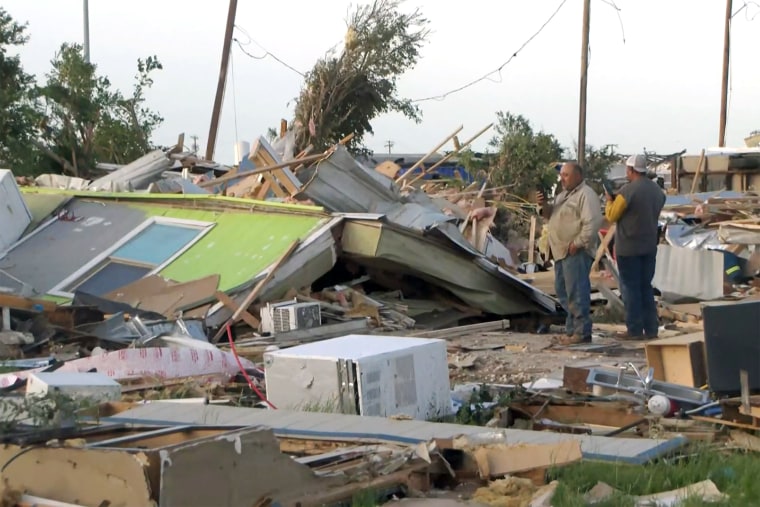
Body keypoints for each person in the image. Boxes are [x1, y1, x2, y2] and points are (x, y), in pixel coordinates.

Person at [537, 162, 602, 344]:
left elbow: (592, 223)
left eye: (566, 175)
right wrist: (543, 204)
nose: (562, 179)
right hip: (560, 251)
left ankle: (581, 332)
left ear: (578, 176)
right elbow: (551, 214)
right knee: (563, 291)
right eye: (562, 175)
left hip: (576, 251)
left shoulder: (586, 195)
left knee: (577, 292)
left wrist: (579, 243)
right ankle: (571, 329)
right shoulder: (563, 195)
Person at [604, 154, 666, 339]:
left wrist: (609, 200)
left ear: (631, 170)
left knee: (630, 289)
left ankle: (635, 330)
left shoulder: (627, 191)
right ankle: (651, 329)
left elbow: (612, 216)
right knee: (645, 288)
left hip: (629, 248)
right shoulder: (657, 192)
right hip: (648, 246)